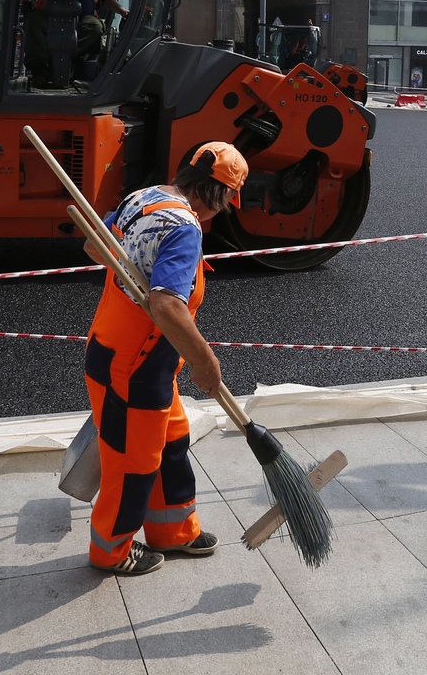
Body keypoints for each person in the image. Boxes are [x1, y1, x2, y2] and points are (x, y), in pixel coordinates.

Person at [80, 141, 245, 576]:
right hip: (131, 369)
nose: (225, 210)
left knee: (171, 439)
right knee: (133, 463)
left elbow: (94, 247)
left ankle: (174, 530)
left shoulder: (147, 197)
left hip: (135, 357)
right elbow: (167, 305)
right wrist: (206, 363)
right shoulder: (185, 228)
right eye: (228, 200)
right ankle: (111, 550)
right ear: (218, 194)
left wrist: (131, 262)